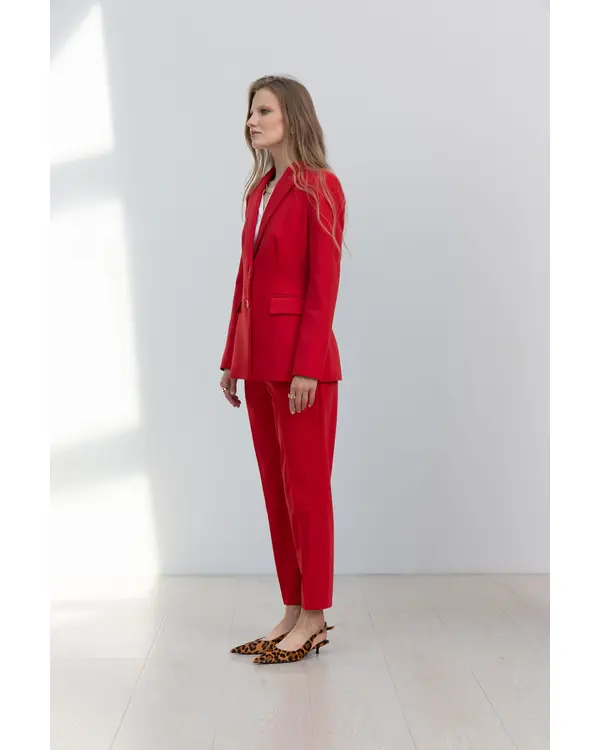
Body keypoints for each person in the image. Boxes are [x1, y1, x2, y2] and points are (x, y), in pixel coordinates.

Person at [219, 75, 346, 665]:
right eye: (250, 112)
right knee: (277, 492)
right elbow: (244, 281)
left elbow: (324, 286)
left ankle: (316, 617)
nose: (252, 121)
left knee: (307, 492)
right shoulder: (258, 191)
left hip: (302, 370)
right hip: (258, 362)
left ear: (291, 117)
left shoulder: (321, 186)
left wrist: (307, 366)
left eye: (263, 111)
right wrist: (232, 356)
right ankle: (293, 610)